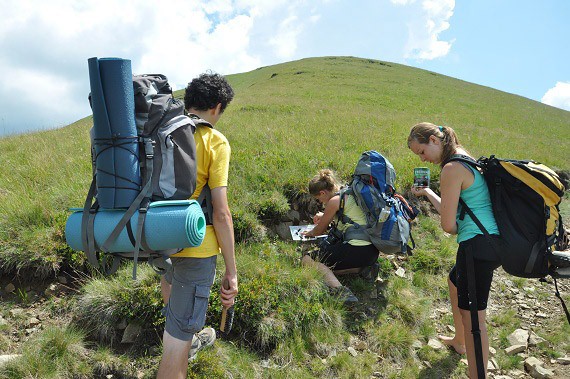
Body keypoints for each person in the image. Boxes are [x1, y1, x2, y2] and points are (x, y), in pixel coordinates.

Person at [157, 72, 238, 379]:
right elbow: (221, 213)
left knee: (173, 291)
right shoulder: (214, 140)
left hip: (158, 237)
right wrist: (231, 271)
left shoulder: (163, 132)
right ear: (217, 107)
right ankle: (179, 343)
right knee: (174, 359)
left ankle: (179, 335)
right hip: (196, 245)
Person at [408, 122, 500, 378]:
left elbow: (450, 225)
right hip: (488, 241)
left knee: (474, 320)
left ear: (434, 141)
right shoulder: (465, 158)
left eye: (422, 152)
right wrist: (428, 192)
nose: (422, 158)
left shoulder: (451, 168)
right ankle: (460, 342)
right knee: (454, 281)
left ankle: (477, 374)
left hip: (476, 247)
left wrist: (448, 216)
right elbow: (462, 211)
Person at [301, 169, 380, 304]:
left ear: (323, 193)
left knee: (307, 260)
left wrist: (309, 233)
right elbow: (351, 219)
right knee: (326, 269)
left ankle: (341, 291)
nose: (320, 202)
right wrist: (325, 215)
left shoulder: (334, 201)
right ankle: (365, 269)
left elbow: (319, 231)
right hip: (372, 251)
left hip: (355, 249)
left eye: (318, 199)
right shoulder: (350, 193)